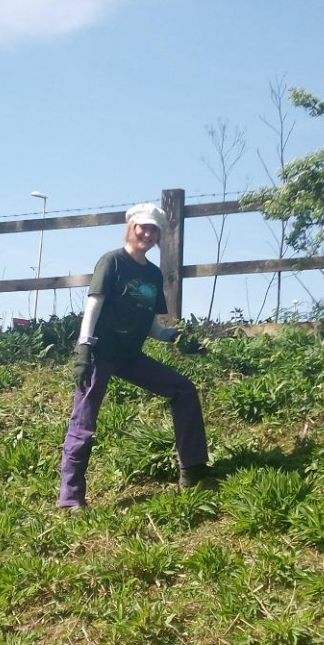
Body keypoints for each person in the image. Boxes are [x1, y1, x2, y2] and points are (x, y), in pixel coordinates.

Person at [58, 203, 209, 509]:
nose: (148, 234)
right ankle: (71, 498)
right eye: (144, 227)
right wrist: (84, 348)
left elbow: (152, 326)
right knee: (83, 424)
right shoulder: (112, 261)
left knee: (183, 389)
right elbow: (93, 306)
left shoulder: (153, 275)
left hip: (130, 356)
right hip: (100, 353)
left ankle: (192, 470)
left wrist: (177, 338)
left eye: (154, 230)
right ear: (131, 227)